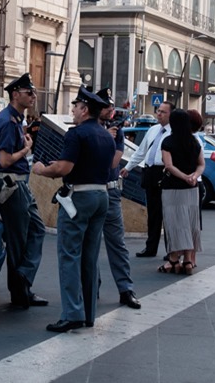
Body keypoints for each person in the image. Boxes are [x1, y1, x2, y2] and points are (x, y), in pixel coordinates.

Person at [32, 86, 115, 332]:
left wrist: (41, 170)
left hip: (79, 198)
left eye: (76, 107)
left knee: (69, 255)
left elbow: (64, 168)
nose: (73, 111)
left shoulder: (76, 134)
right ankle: (88, 313)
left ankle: (71, 314)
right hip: (102, 196)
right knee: (90, 257)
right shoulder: (106, 136)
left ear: (85, 109)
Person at [0, 73, 48, 309]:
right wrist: (26, 150)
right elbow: (4, 161)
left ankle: (23, 277)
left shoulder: (15, 119)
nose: (33, 96)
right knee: (17, 241)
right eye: (28, 92)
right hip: (12, 185)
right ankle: (20, 292)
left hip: (20, 184)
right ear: (15, 94)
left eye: (33, 92)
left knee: (36, 230)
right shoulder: (7, 121)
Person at [96, 88, 141, 310]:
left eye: (113, 107)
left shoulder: (118, 132)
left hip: (111, 191)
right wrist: (105, 138)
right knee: (90, 243)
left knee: (117, 244)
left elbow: (113, 164)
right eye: (107, 107)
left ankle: (125, 289)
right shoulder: (88, 130)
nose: (111, 111)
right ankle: (91, 287)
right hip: (90, 192)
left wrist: (109, 139)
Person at [120, 101, 175, 258]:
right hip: (150, 172)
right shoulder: (153, 130)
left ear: (171, 114)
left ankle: (171, 251)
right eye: (158, 111)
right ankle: (151, 247)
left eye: (163, 112)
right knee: (153, 213)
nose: (159, 114)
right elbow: (141, 151)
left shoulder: (174, 132)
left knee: (168, 214)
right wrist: (129, 167)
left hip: (165, 172)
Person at [158, 109, 204, 275]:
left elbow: (168, 165)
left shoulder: (168, 141)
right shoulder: (194, 142)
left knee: (174, 224)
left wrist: (184, 177)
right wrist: (194, 176)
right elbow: (201, 164)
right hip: (192, 189)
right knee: (190, 223)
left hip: (172, 187)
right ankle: (188, 262)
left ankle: (173, 261)